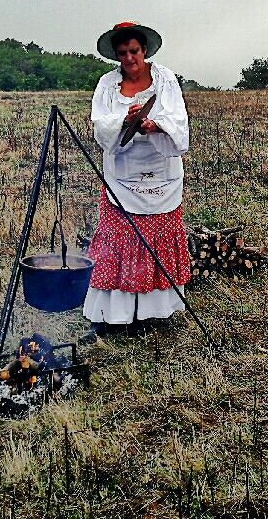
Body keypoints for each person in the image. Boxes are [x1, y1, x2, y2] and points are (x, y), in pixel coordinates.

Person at [82, 21, 191, 333]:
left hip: (160, 170)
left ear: (144, 50)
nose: (129, 58)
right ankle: (114, 315)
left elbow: (178, 120)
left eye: (134, 51)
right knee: (118, 239)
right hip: (122, 172)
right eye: (122, 53)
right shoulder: (107, 84)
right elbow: (100, 125)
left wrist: (155, 124)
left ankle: (154, 313)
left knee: (157, 240)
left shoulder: (165, 79)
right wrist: (124, 118)